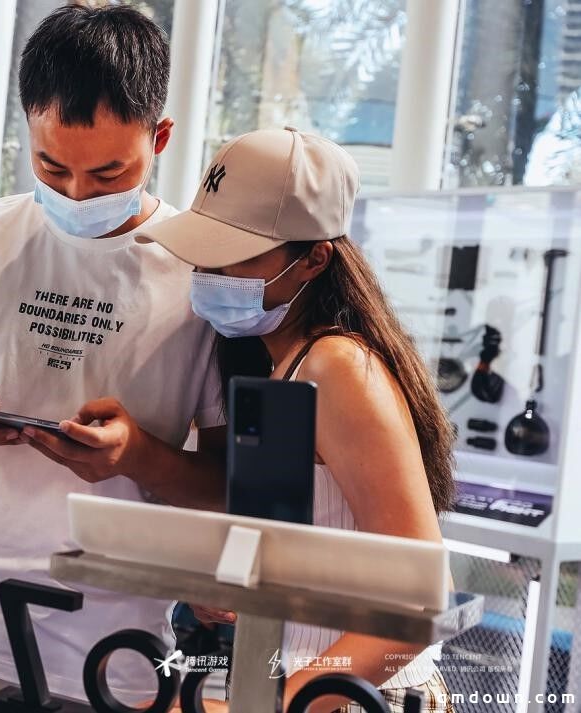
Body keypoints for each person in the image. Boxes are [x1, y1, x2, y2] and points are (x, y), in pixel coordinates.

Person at [26, 128, 456, 712]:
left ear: (314, 260)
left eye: (236, 255)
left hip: (356, 697)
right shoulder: (282, 364)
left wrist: (285, 704)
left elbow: (420, 602)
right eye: (206, 250)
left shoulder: (338, 367)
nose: (210, 271)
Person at [0, 5, 226, 701]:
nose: (74, 192)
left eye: (106, 173)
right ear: (26, 125)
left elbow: (224, 486)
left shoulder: (203, 272)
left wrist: (135, 456)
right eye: (51, 165)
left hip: (108, 653)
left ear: (159, 137)